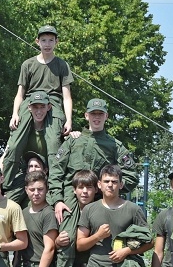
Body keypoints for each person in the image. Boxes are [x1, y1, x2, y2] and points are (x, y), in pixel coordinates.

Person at [49, 98, 138, 228]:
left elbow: (132, 175)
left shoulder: (114, 145)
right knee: (67, 238)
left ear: (106, 116)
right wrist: (57, 200)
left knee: (101, 238)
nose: (96, 117)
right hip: (71, 198)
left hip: (100, 200)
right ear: (86, 116)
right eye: (93, 114)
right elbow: (56, 170)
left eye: (100, 114)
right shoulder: (73, 141)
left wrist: (109, 190)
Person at [77, 164, 151, 267]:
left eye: (114, 181)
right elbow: (80, 245)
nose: (110, 185)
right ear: (99, 184)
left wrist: (127, 251)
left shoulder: (133, 209)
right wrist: (97, 236)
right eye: (106, 181)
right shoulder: (90, 209)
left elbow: (149, 242)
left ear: (121, 184)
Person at [4, 91, 64, 207]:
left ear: (49, 107)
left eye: (42, 107)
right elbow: (9, 151)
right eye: (35, 107)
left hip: (47, 174)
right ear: (29, 108)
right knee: (8, 202)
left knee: (52, 204)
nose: (39, 111)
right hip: (26, 173)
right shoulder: (22, 131)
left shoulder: (55, 131)